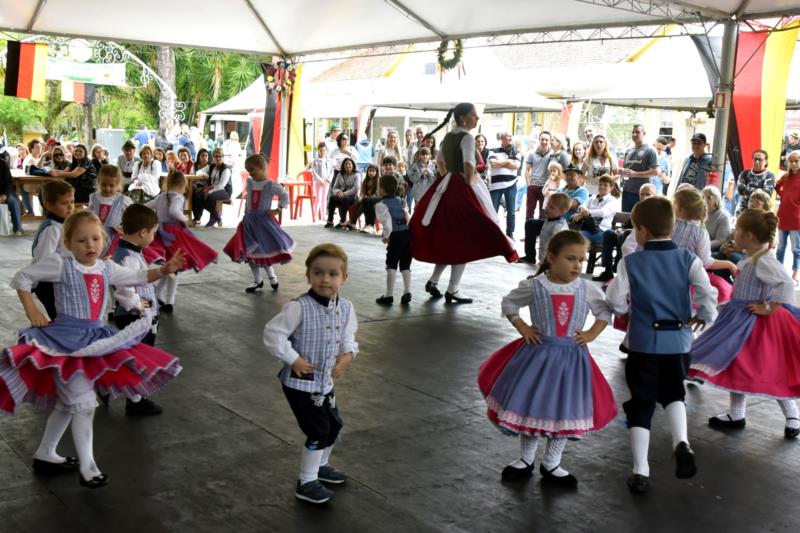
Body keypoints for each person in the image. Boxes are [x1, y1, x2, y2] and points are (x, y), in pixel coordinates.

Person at [1, 210, 184, 488]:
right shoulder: (61, 264)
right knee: (84, 405)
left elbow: (135, 275)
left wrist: (163, 270)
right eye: (81, 241)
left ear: (104, 239)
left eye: (95, 239)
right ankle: (88, 467)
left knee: (68, 404)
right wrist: (32, 311)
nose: (90, 246)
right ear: (68, 243)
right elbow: (23, 278)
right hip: (66, 343)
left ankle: (46, 453)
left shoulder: (105, 267)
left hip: (95, 340)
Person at [477, 231, 617, 486]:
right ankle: (526, 458)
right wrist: (523, 328)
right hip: (538, 358)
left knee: (563, 410)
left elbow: (604, 313)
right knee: (534, 407)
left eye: (581, 260)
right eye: (570, 258)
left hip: (572, 361)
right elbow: (509, 304)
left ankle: (552, 462)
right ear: (551, 257)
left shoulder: (586, 288)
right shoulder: (536, 285)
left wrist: (591, 334)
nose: (577, 265)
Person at [606, 196, 717, 494]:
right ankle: (681, 442)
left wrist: (623, 310)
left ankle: (640, 470)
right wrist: (704, 316)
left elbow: (616, 301)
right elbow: (708, 291)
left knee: (641, 403)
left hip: (643, 343)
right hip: (679, 342)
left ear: (641, 230)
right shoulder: (688, 259)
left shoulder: (631, 262)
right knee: (673, 393)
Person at [689, 209, 800, 440]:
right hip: (739, 318)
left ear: (748, 235)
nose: (734, 233)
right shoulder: (755, 256)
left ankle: (792, 415)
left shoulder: (765, 261)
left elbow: (786, 285)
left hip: (754, 323)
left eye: (737, 229)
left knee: (771, 369)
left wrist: (768, 307)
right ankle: (737, 413)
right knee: (736, 366)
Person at [262, 243, 357, 505]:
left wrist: (347, 356)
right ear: (308, 275)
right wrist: (293, 358)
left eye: (332, 274)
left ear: (344, 278)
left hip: (324, 383)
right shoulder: (299, 307)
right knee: (318, 430)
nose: (325, 279)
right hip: (300, 385)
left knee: (334, 425)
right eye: (318, 272)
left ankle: (321, 466)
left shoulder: (346, 308)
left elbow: (348, 337)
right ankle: (307, 481)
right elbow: (272, 334)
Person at [409, 103, 518, 305]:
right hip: (461, 188)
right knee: (464, 238)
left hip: (446, 186)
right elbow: (469, 164)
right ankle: (453, 289)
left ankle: (434, 281)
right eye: (473, 115)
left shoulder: (449, 136)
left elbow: (439, 161)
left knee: (448, 239)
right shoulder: (467, 138)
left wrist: (447, 178)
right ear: (463, 118)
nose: (477, 119)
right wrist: (469, 183)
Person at [109, 204, 173, 416]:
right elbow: (123, 288)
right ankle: (135, 401)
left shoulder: (129, 251)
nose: (154, 236)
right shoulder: (128, 257)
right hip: (134, 317)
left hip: (138, 315)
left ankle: (126, 393)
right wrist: (137, 303)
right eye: (153, 232)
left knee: (135, 356)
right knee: (136, 358)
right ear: (143, 232)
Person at [143, 171, 219, 312]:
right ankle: (169, 300)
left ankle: (159, 294)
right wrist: (185, 220)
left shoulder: (160, 197)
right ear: (181, 185)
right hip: (173, 235)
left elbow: (145, 206)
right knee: (174, 267)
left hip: (161, 234)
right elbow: (174, 211)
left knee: (168, 267)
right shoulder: (178, 197)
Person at [223, 154, 293, 292]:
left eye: (252, 170)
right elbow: (249, 200)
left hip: (263, 223)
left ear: (262, 168)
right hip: (249, 222)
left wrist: (278, 209)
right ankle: (257, 280)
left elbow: (285, 195)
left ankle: (272, 277)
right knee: (251, 253)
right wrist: (245, 214)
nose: (250, 173)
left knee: (263, 251)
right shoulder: (250, 183)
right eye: (248, 171)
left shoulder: (270, 184)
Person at [671, 187, 736, 304]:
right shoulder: (700, 232)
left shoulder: (669, 224)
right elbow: (706, 262)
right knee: (718, 291)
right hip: (684, 278)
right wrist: (729, 264)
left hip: (662, 272)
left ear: (680, 209)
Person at [592, 183, 656, 282]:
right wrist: (620, 229)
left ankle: (620, 268)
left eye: (647, 194)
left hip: (640, 240)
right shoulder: (637, 207)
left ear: (654, 195)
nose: (644, 197)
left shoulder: (656, 209)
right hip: (627, 235)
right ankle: (608, 271)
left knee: (626, 234)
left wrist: (626, 230)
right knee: (608, 233)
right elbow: (627, 224)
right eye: (642, 194)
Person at [30, 182, 75, 319]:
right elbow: (42, 258)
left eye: (72, 202)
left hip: (56, 280)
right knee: (60, 318)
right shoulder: (52, 229)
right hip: (48, 284)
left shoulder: (61, 224)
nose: (70, 207)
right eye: (64, 203)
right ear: (49, 205)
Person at [375, 175, 412, 305]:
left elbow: (387, 223)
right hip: (407, 234)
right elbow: (408, 217)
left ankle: (389, 295)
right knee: (405, 263)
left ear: (382, 190)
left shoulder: (381, 205)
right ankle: (407, 291)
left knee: (391, 263)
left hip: (395, 236)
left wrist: (386, 236)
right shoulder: (401, 201)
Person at [88, 165, 132, 256]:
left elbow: (134, 217)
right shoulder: (94, 197)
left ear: (118, 184)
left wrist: (123, 228)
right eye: (103, 185)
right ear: (98, 182)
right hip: (95, 237)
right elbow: (89, 215)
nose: (107, 189)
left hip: (113, 240)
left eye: (111, 185)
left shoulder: (123, 200)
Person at [487, 131, 523, 240]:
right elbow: (493, 164)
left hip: (511, 185)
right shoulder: (492, 150)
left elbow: (516, 166)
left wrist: (501, 163)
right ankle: (492, 234)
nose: (510, 138)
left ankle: (509, 235)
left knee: (511, 212)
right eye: (508, 136)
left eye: (511, 136)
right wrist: (508, 161)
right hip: (496, 186)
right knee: (493, 211)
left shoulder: (516, 151)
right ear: (501, 138)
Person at [571, 175, 621, 246]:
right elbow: (581, 206)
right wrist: (584, 212)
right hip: (587, 228)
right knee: (569, 235)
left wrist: (586, 213)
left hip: (602, 231)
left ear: (611, 188)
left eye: (605, 185)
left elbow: (603, 212)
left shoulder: (612, 200)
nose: (602, 187)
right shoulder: (593, 197)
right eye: (600, 184)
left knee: (575, 237)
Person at [619, 125, 659, 212]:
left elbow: (656, 172)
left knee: (640, 219)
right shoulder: (628, 150)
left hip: (642, 193)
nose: (634, 134)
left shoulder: (650, 150)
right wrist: (621, 171)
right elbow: (626, 169)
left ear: (644, 134)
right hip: (626, 191)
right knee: (626, 219)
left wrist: (635, 174)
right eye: (633, 132)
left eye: (637, 132)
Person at [775, 150, 800, 284]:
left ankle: (795, 274)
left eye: (796, 161)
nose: (794, 164)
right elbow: (777, 186)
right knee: (780, 247)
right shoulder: (786, 177)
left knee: (796, 249)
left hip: (796, 219)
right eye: (791, 161)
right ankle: (779, 272)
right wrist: (783, 195)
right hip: (783, 216)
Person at [194, 148, 231, 227]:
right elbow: (198, 172)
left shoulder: (226, 169)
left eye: (220, 156)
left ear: (223, 157)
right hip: (212, 188)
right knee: (198, 195)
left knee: (210, 197)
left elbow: (221, 185)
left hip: (224, 191)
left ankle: (213, 218)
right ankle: (217, 216)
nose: (218, 158)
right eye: (216, 156)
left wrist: (209, 192)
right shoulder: (212, 166)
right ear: (213, 157)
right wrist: (203, 174)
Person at [324, 158, 360, 229]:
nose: (348, 165)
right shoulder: (339, 174)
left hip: (352, 197)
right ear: (343, 165)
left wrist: (344, 194)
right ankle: (330, 221)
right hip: (340, 195)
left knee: (345, 199)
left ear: (353, 165)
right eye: (346, 164)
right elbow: (334, 187)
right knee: (332, 198)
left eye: (349, 164)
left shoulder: (357, 175)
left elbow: (356, 188)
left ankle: (342, 221)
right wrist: (338, 192)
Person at [736, 150, 775, 214]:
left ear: (766, 162)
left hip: (759, 213)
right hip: (741, 211)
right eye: (755, 159)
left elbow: (766, 194)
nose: (757, 162)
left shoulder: (769, 176)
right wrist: (759, 190)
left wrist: (747, 190)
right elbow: (740, 190)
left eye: (760, 159)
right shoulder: (744, 173)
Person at [535, 192, 570, 263]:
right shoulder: (549, 220)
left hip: (554, 262)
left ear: (562, 211)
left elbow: (557, 246)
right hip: (544, 258)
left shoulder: (559, 226)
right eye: (547, 205)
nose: (547, 209)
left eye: (551, 208)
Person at [352, 164, 381, 234]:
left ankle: (355, 222)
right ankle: (353, 222)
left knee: (364, 204)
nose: (371, 173)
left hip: (374, 200)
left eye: (373, 171)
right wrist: (361, 198)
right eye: (370, 171)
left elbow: (377, 194)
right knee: (357, 202)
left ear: (377, 172)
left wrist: (368, 198)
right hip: (366, 199)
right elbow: (362, 192)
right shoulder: (366, 180)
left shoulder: (378, 180)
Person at [703, 186, 731, 254]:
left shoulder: (723, 217)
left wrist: (702, 246)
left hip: (712, 250)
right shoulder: (700, 213)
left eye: (709, 198)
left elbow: (721, 241)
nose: (704, 200)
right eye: (703, 197)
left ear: (716, 200)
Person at [311, 143, 334, 222]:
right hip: (318, 182)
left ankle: (324, 215)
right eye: (321, 150)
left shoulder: (329, 160)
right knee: (318, 198)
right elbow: (314, 172)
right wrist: (320, 180)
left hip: (326, 182)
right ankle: (315, 215)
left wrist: (328, 180)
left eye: (324, 150)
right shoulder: (315, 160)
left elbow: (332, 171)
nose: (322, 152)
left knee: (324, 198)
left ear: (326, 151)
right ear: (318, 151)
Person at [0, 157, 23, 235]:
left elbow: (9, 182)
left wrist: (5, 195)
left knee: (13, 202)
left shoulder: (2, 163)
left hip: (3, 193)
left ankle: (17, 229)